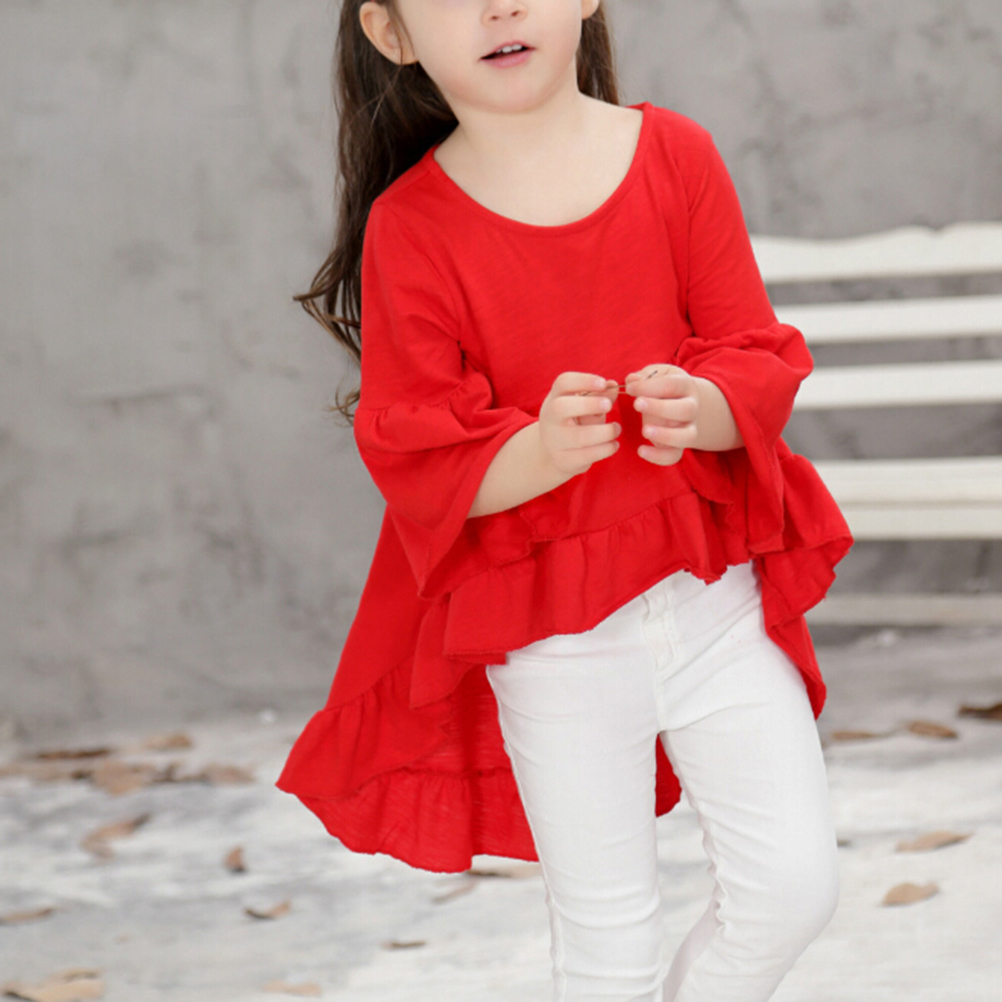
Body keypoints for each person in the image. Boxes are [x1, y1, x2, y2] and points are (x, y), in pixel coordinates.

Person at [277, 1, 853, 999]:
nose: (499, 6)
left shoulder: (675, 155)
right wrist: (540, 450)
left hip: (712, 605)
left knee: (792, 890)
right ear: (391, 32)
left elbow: (754, 356)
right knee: (608, 946)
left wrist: (706, 408)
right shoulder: (412, 227)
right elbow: (420, 454)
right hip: (555, 648)